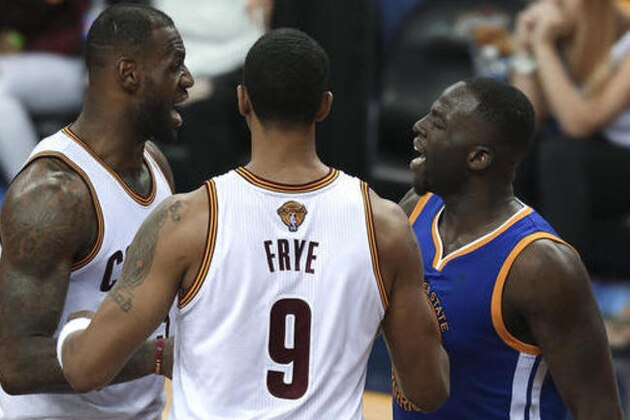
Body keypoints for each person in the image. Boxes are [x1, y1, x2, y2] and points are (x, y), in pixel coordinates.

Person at [58, 28, 449, 418]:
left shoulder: (188, 219)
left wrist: (76, 328)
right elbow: (428, 391)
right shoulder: (384, 225)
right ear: (324, 106)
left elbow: (86, 370)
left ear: (242, 100)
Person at [0, 4, 193, 419]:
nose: (187, 81)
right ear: (129, 74)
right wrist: (159, 356)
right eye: (175, 65)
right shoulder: (54, 194)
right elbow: (15, 365)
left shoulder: (156, 165)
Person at [393, 78, 622, 419]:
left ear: (478, 157)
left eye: (438, 122)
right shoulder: (415, 209)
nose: (419, 126)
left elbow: (598, 409)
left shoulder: (540, 266)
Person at [511, 0, 630, 259]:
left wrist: (542, 46)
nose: (551, 6)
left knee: (561, 153)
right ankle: (495, 252)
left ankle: (559, 275)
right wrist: (525, 47)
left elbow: (580, 124)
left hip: (620, 157)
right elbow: (523, 118)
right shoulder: (561, 41)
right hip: (592, 153)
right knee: (519, 144)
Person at [153, 0, 274, 190]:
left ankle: (216, 204)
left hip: (236, 65)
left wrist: (211, 86)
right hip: (169, 66)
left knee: (206, 111)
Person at [0, 0, 89, 185]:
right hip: (16, 66)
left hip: (75, 67)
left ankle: (31, 189)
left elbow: (73, 37)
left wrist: (23, 46)